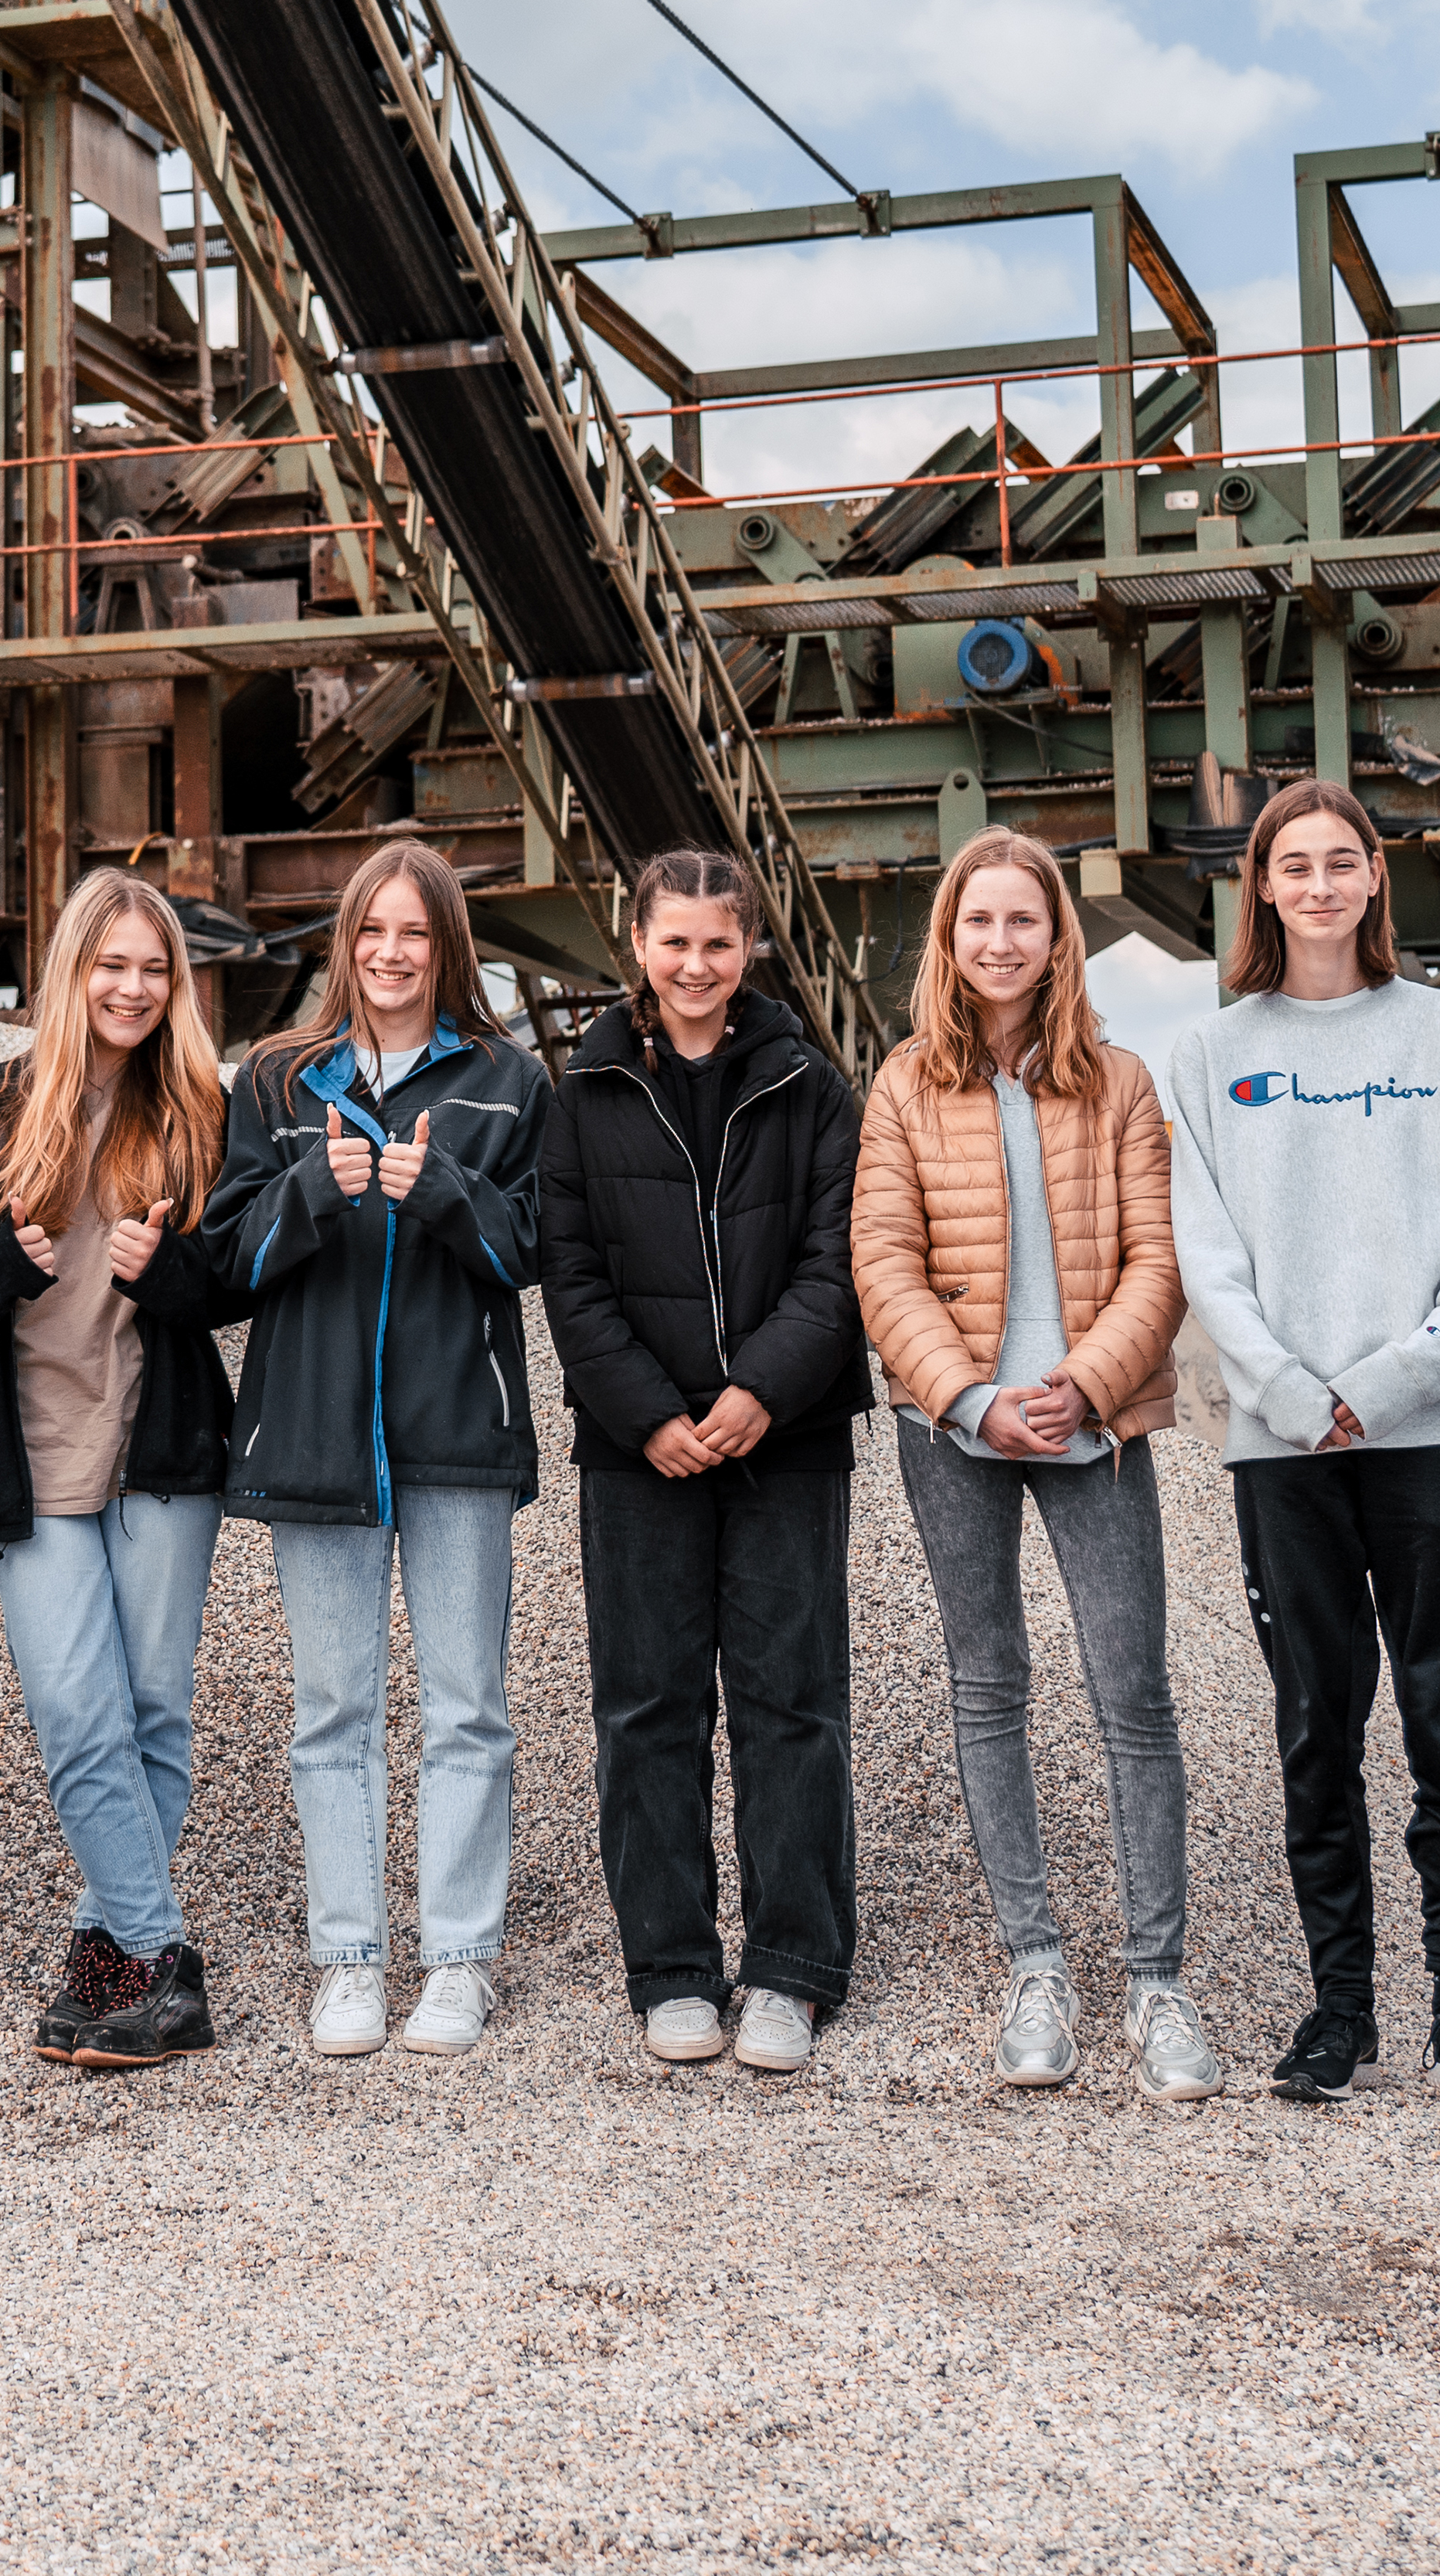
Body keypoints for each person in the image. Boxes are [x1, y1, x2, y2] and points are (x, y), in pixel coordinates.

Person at [1166, 778, 1440, 2118]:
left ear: (1375, 880)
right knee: (1317, 1726)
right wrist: (1284, 1390)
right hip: (1282, 1449)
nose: (1319, 886)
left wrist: (1377, 1389)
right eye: (1294, 866)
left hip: (1434, 1439)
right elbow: (1208, 1258)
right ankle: (1339, 2014)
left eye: (1342, 863)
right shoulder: (1212, 1056)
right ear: (1260, 886)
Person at [853, 826, 1215, 2107]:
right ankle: (1035, 1967)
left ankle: (1157, 1979)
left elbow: (1159, 1264)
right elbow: (883, 1262)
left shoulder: (1119, 1083)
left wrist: (1085, 1388)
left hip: (1094, 1430)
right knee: (988, 1683)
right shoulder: (901, 1086)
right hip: (953, 1430)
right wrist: (969, 1395)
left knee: (1133, 1693)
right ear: (947, 942)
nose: (999, 942)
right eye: (976, 922)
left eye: (1024, 920)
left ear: (1060, 938)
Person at [200, 838, 546, 2060]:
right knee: (331, 1710)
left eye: (414, 934)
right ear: (344, 945)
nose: (390, 955)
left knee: (468, 1710)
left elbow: (532, 1257)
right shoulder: (278, 1082)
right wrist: (309, 1199)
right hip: (315, 1438)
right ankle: (349, 1960)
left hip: (459, 1433)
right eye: (370, 932)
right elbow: (223, 1268)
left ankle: (458, 1963)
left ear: (446, 946)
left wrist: (445, 1191)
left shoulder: (508, 1080)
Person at [542, 849, 864, 2076]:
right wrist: (651, 1417)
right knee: (647, 1708)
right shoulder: (582, 1092)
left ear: (749, 951)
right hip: (638, 1455)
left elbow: (834, 1267)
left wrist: (753, 1397)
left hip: (788, 1443)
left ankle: (792, 1967)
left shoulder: (808, 1085)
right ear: (638, 944)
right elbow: (569, 1278)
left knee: (792, 1704)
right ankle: (672, 1967)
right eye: (673, 943)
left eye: (717, 946)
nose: (695, 966)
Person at [0, 871, 235, 2072]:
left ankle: (107, 1952)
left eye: (154, 969)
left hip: (159, 1451)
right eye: (114, 965)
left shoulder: (200, 1107)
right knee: (76, 1715)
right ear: (71, 970)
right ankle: (161, 1958)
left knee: (153, 1713)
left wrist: (167, 1269)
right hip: (33, 1453)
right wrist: (3, 1262)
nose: (134, 988)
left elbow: (238, 1278)